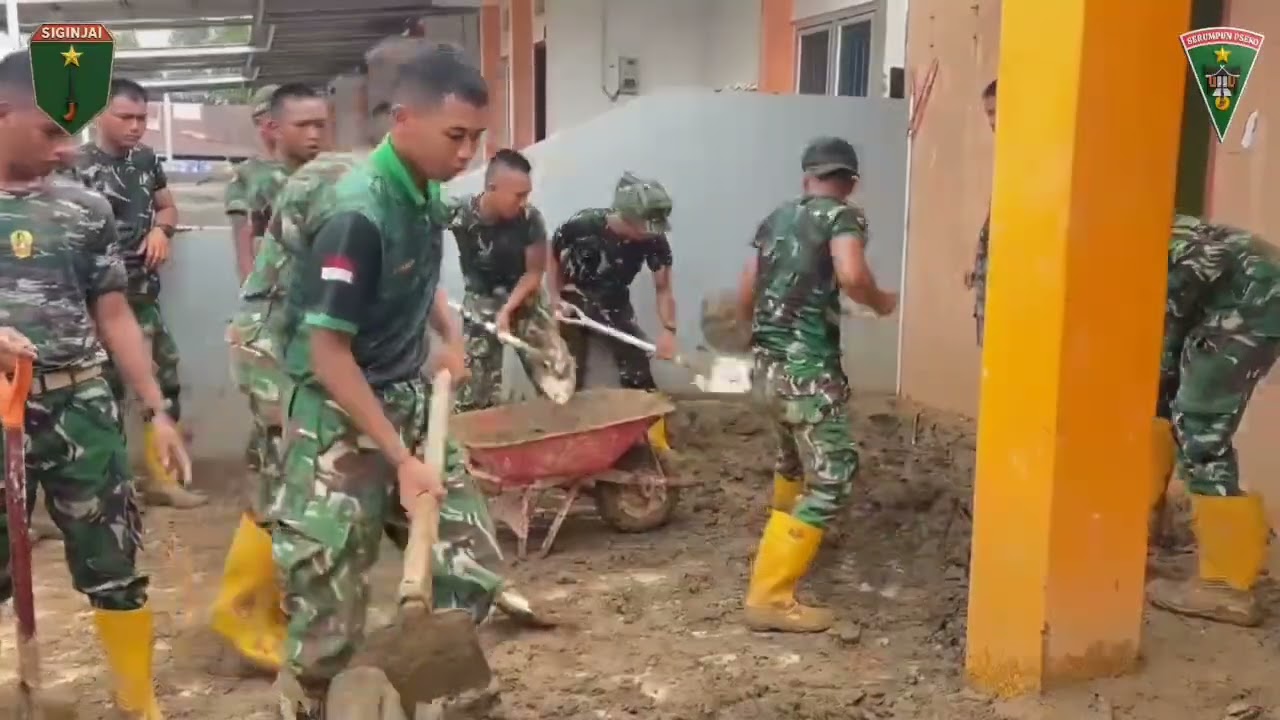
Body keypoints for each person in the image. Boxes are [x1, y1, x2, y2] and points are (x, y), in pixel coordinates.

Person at [267, 48, 513, 718]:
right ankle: (313, 699)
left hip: (406, 394)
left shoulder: (423, 190)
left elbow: (420, 274)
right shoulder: (357, 213)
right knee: (327, 596)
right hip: (337, 411)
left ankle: (433, 688)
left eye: (475, 138)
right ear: (404, 120)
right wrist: (402, 459)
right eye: (455, 136)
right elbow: (327, 352)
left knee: (469, 561)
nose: (466, 154)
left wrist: (448, 337)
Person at [0, 49, 188, 718]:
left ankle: (139, 705)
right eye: (50, 131)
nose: (66, 148)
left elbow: (114, 314)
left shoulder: (86, 209)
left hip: (79, 402)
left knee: (115, 563)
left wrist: (157, 410)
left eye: (70, 131)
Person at [734, 137, 898, 633]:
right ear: (851, 182)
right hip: (808, 373)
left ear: (807, 177)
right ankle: (770, 596)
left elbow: (745, 292)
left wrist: (759, 339)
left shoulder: (775, 219)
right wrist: (881, 302)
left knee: (791, 459)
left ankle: (787, 537)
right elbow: (851, 275)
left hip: (767, 366)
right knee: (834, 473)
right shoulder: (843, 217)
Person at [212, 83, 328, 673]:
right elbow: (247, 257)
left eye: (322, 124)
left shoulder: (331, 178)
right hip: (271, 334)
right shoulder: (254, 180)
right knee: (287, 453)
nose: (316, 134)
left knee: (280, 464)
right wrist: (261, 322)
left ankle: (259, 603)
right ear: (272, 128)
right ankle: (254, 607)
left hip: (319, 334)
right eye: (304, 124)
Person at [72, 78, 204, 508]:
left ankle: (163, 480)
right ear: (98, 116)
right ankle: (111, 489)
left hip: (143, 296)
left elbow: (167, 206)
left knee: (164, 384)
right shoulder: (75, 165)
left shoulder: (146, 159)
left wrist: (162, 230)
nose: (135, 126)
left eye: (142, 118)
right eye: (125, 117)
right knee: (102, 395)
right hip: (94, 303)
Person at [1146, 215, 1279, 628]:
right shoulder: (1128, 229)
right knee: (1161, 404)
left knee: (1200, 429)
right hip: (1239, 293)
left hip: (1251, 302)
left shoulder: (1122, 248)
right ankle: (1140, 530)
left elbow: (1167, 318)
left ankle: (1226, 585)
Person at [548, 172, 679, 452]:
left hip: (614, 302)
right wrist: (555, 297)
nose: (651, 233)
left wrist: (669, 330)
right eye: (646, 227)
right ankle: (564, 436)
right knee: (566, 370)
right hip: (574, 299)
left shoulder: (654, 240)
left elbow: (663, 288)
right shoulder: (582, 225)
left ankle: (653, 439)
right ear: (627, 218)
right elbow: (553, 253)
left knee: (637, 368)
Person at [450, 148, 563, 411]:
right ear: (492, 188)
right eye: (518, 195)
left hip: (524, 296)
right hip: (481, 299)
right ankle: (478, 430)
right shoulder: (459, 213)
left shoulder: (530, 219)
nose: (524, 202)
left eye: (527, 194)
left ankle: (562, 426)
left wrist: (508, 310)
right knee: (475, 389)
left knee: (554, 374)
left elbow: (534, 272)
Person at [225, 83, 281, 282]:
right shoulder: (246, 175)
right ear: (258, 122)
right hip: (268, 278)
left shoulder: (310, 168)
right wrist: (250, 284)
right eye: (271, 116)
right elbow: (243, 238)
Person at [963, 79, 997, 346]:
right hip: (989, 286)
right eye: (988, 114)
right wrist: (975, 259)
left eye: (995, 112)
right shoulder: (1009, 155)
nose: (992, 122)